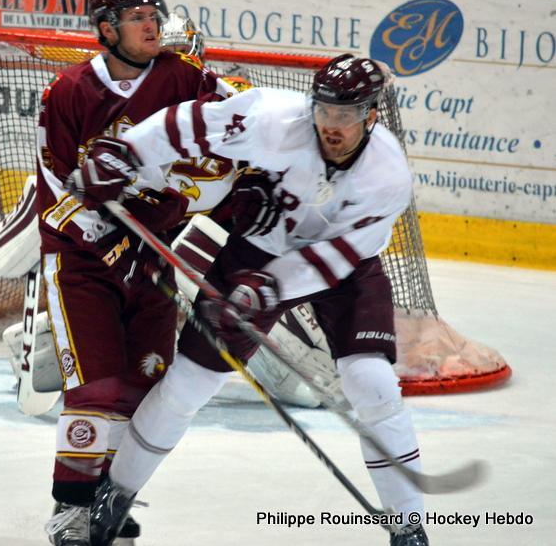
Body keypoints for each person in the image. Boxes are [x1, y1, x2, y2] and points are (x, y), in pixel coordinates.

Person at [79, 54, 430, 546]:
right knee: (189, 383)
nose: (331, 125)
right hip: (256, 251)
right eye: (324, 110)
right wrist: (128, 152)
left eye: (346, 114)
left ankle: (409, 525)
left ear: (371, 115)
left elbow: (337, 258)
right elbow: (191, 124)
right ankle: (116, 491)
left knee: (372, 384)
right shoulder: (274, 119)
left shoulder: (387, 175)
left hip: (345, 269)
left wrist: (270, 287)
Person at [36, 0, 242, 546]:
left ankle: (110, 499)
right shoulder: (68, 93)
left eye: (155, 14)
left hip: (152, 258)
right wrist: (106, 239)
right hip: (81, 264)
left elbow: (238, 116)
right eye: (138, 17)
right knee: (97, 388)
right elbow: (55, 186)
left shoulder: (183, 77)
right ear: (107, 29)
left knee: (141, 387)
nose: (152, 25)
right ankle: (71, 507)